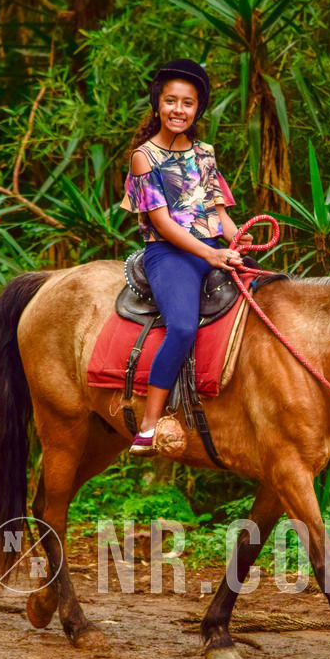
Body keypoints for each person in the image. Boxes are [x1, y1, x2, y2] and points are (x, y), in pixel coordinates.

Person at [121, 58, 252, 454]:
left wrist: (239, 242)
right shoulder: (145, 157)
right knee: (181, 327)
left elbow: (220, 214)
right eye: (171, 101)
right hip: (169, 254)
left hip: (211, 248)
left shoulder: (205, 154)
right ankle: (148, 423)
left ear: (198, 109)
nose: (179, 110)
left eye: (188, 103)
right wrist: (211, 257)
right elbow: (163, 224)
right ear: (158, 105)